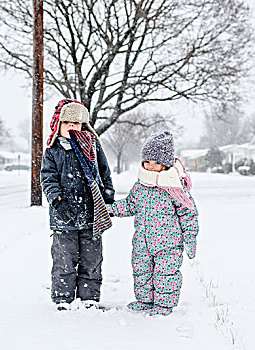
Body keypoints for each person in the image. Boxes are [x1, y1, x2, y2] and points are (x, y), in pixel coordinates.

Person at [106, 130, 199, 316]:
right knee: (142, 273)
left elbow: (188, 214)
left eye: (156, 163)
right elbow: (130, 204)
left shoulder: (173, 188)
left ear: (165, 164)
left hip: (169, 245)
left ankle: (164, 306)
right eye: (147, 162)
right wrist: (110, 209)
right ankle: (145, 301)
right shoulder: (141, 185)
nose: (150, 166)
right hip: (142, 242)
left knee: (165, 276)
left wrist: (190, 238)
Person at [40, 98, 115, 311]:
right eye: (67, 123)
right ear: (59, 126)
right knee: (64, 258)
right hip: (64, 216)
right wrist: (58, 201)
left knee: (92, 259)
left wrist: (107, 193)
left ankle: (89, 296)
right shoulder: (53, 151)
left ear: (84, 126)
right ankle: (63, 297)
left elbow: (104, 172)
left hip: (92, 214)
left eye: (76, 124)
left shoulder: (93, 147)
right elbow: (48, 178)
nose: (72, 128)